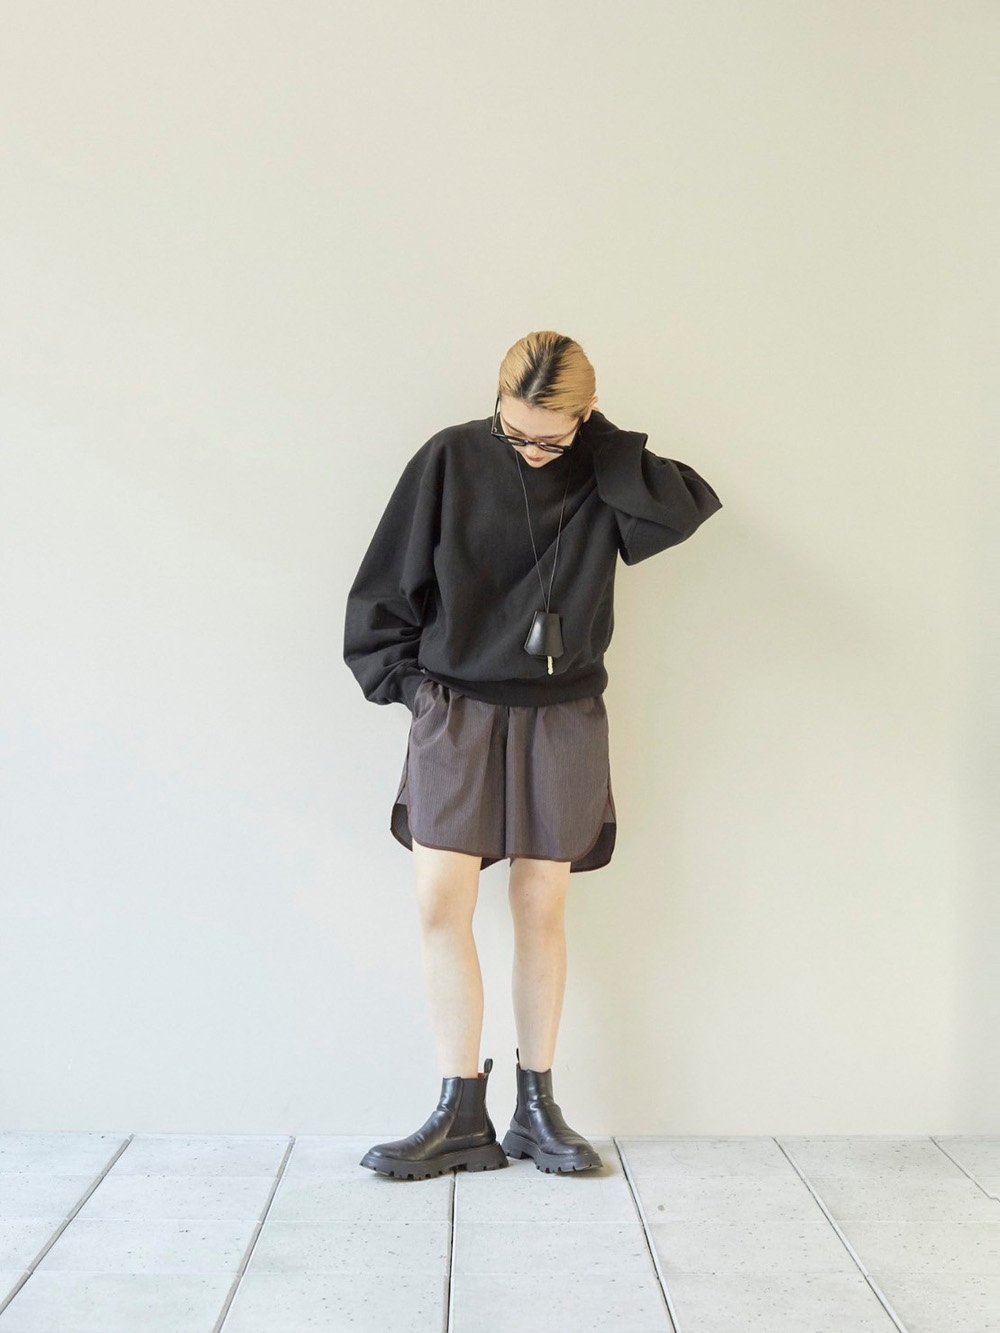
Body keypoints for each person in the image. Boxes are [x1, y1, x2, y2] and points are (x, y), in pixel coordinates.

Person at [343, 330, 723, 1180]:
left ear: (585, 415)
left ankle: (537, 1108)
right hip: (457, 707)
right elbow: (381, 589)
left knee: (541, 903)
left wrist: (599, 444)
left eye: (550, 437)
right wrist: (417, 693)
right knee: (440, 899)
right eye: (514, 431)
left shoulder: (602, 469)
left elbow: (683, 508)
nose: (531, 451)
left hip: (562, 714)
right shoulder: (450, 458)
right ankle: (458, 1110)